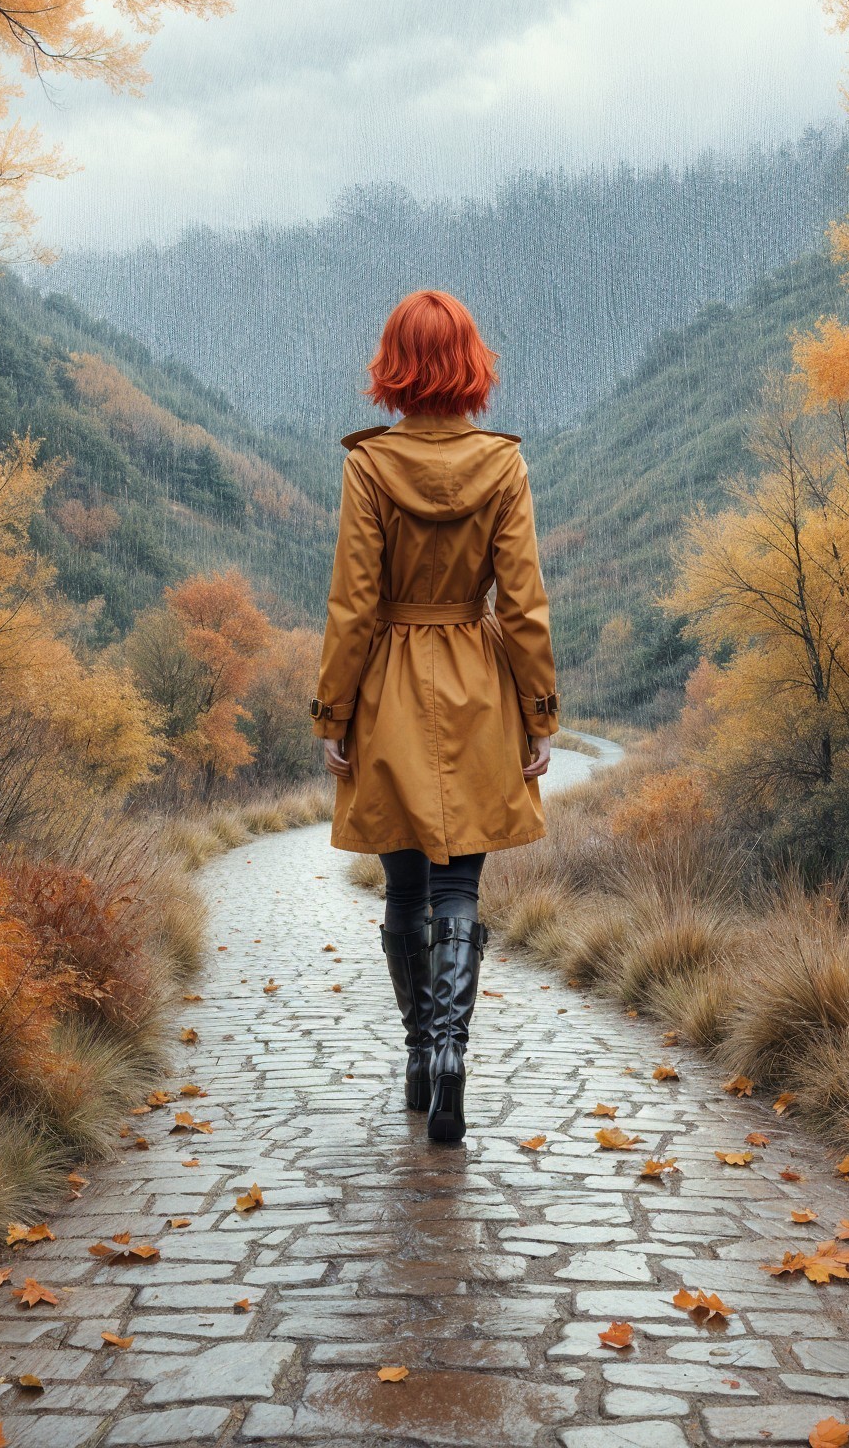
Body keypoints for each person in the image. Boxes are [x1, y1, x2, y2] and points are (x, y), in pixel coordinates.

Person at [311, 289, 559, 1143]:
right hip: (478, 685)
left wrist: (333, 713)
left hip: (388, 686)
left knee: (405, 885)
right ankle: (456, 1051)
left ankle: (420, 1055)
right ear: (468, 367)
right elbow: (523, 603)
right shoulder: (503, 464)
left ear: (395, 368)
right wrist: (539, 713)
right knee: (459, 885)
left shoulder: (369, 466)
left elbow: (353, 603)